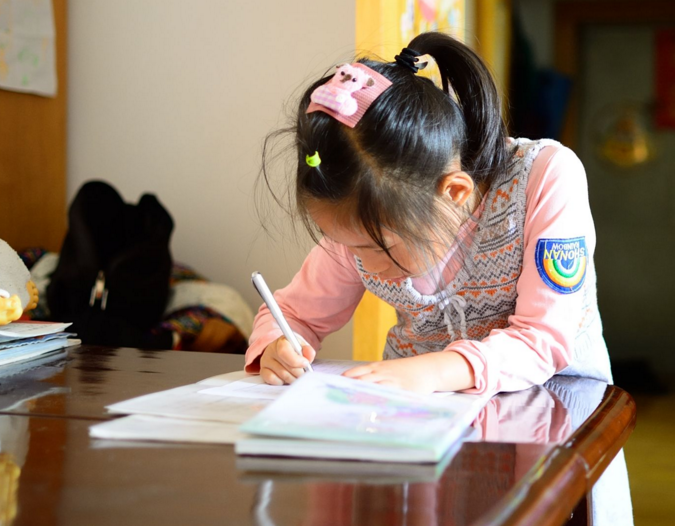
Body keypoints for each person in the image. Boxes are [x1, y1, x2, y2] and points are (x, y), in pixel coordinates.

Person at [248, 32, 613, 398]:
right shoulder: (362, 219)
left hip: (556, 404)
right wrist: (279, 345)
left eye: (377, 248)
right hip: (422, 409)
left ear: (454, 193)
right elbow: (294, 313)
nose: (365, 265)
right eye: (350, 247)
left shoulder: (543, 176)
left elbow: (543, 338)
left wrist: (435, 372)